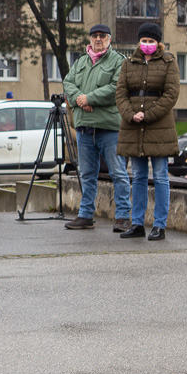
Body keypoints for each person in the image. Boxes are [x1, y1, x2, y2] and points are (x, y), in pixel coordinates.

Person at [62, 24, 130, 232]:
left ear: (109, 39)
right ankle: (85, 215)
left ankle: (123, 216)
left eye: (102, 36)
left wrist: (89, 97)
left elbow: (116, 88)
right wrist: (80, 100)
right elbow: (68, 82)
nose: (98, 39)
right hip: (84, 129)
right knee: (87, 174)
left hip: (108, 128)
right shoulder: (81, 61)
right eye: (94, 36)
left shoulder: (118, 61)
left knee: (118, 173)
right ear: (90, 39)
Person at [115, 22, 180, 241]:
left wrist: (148, 114)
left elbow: (171, 95)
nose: (147, 44)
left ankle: (160, 225)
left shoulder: (169, 62)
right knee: (139, 176)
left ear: (158, 42)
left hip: (159, 128)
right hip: (134, 128)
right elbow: (121, 94)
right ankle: (137, 223)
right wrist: (130, 113)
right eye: (144, 40)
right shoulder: (128, 63)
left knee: (161, 176)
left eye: (151, 41)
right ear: (138, 42)